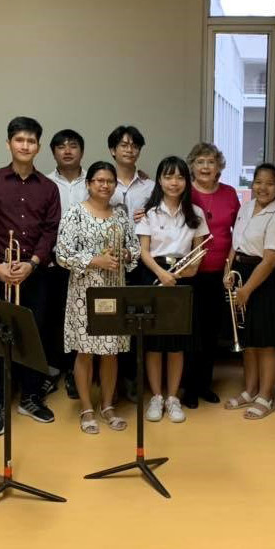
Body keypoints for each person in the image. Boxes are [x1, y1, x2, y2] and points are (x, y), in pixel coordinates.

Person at [0, 116, 61, 435]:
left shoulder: (49, 188)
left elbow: (50, 230)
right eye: (19, 140)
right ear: (9, 143)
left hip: (34, 273)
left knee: (33, 335)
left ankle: (30, 397)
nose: (25, 145)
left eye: (31, 141)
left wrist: (34, 263)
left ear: (38, 146)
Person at [56, 162, 140, 434]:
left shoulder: (121, 215)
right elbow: (62, 255)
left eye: (110, 181)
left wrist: (126, 254)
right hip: (85, 293)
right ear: (89, 184)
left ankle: (107, 406)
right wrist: (96, 260)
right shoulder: (75, 213)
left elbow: (135, 249)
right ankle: (86, 408)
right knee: (86, 351)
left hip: (114, 291)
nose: (105, 185)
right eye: (99, 180)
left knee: (111, 351)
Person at [135, 157, 210, 424]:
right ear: (160, 180)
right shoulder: (149, 212)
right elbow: (144, 252)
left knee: (178, 344)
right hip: (155, 275)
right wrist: (162, 274)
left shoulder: (196, 214)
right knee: (155, 343)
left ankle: (173, 397)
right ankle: (156, 396)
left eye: (179, 177)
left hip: (184, 277)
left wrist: (186, 272)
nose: (174, 182)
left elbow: (199, 253)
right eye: (168, 177)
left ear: (186, 181)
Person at [223, 164, 275, 420]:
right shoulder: (246, 207)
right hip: (240, 273)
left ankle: (266, 395)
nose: (263, 188)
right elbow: (235, 245)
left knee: (266, 342)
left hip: (262, 280)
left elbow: (271, 260)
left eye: (270, 183)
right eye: (259, 182)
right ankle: (250, 391)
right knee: (248, 340)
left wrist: (247, 289)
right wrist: (228, 271)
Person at [186, 142, 241, 407]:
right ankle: (188, 387)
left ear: (219, 166)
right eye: (200, 161)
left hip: (219, 273)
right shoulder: (185, 192)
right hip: (189, 273)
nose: (206, 166)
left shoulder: (229, 193)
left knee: (211, 332)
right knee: (190, 331)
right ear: (192, 166)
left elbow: (238, 232)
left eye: (211, 161)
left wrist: (229, 267)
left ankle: (204, 384)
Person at [107, 125, 154, 403]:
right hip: (109, 262)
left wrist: (149, 214)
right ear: (113, 150)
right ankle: (112, 382)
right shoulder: (101, 180)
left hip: (140, 262)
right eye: (123, 145)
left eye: (134, 145)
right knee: (112, 321)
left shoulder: (150, 186)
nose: (129, 149)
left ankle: (135, 378)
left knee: (137, 322)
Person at [46, 129, 88, 401]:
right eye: (61, 146)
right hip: (54, 261)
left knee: (81, 318)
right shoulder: (45, 182)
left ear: (81, 151)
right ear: (53, 152)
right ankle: (53, 368)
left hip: (89, 263)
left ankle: (76, 371)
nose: (68, 150)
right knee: (55, 316)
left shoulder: (94, 180)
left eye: (73, 145)